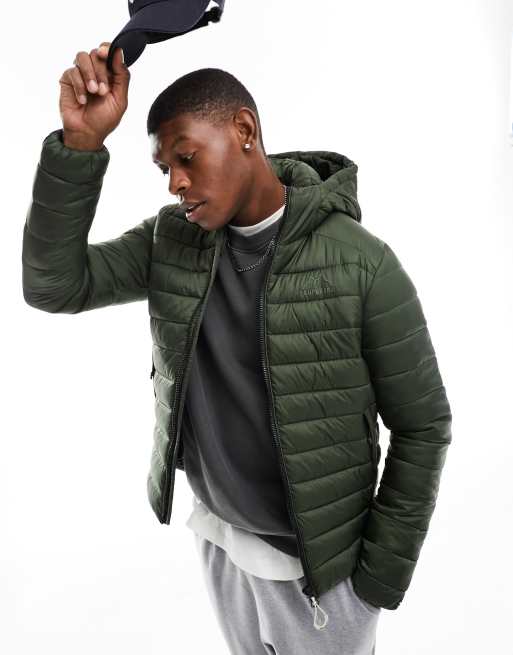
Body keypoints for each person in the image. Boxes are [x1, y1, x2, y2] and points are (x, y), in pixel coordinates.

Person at [22, 41, 452, 655]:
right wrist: (81, 145)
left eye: (186, 157)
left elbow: (424, 424)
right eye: (165, 169)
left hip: (320, 571)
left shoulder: (361, 262)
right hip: (222, 540)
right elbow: (53, 286)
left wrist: (377, 580)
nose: (176, 182)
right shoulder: (171, 241)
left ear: (244, 131)